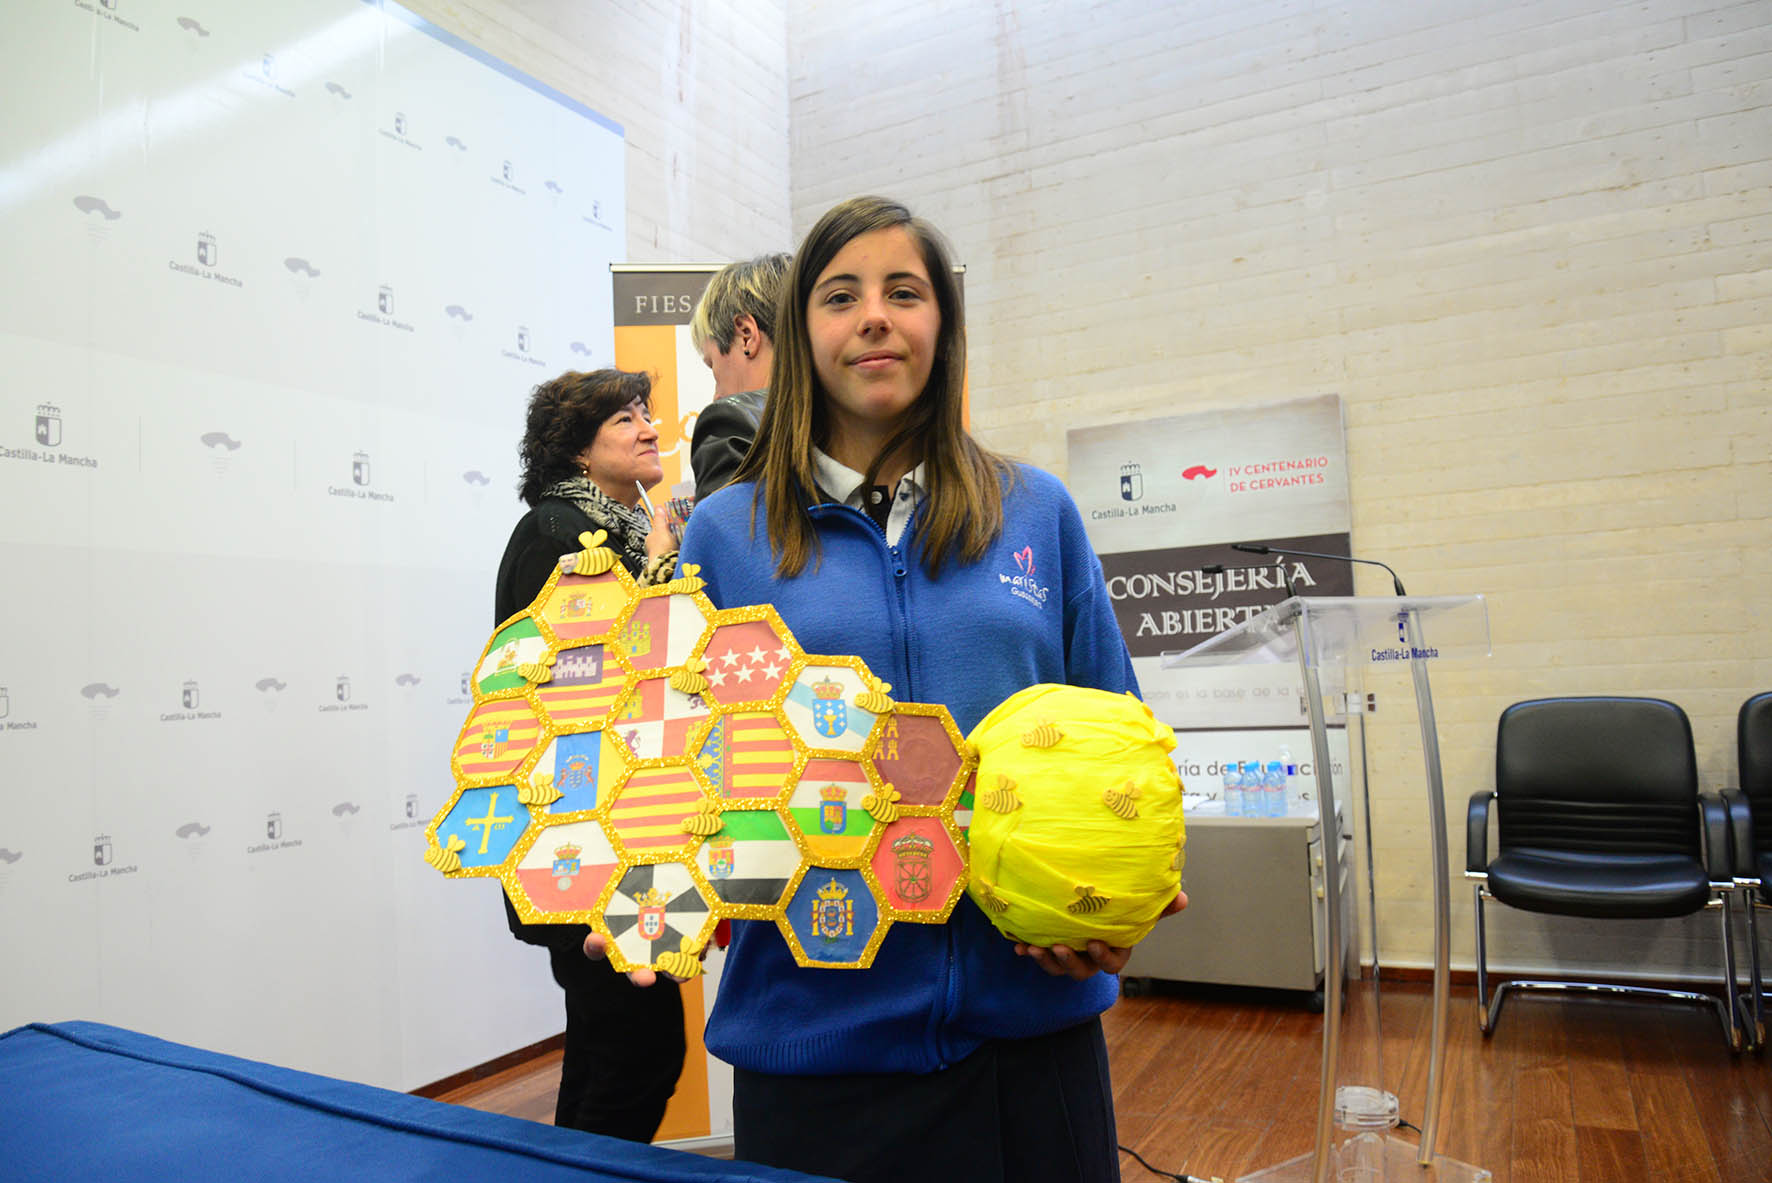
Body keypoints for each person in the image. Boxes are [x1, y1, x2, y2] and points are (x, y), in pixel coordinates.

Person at [588, 197, 1186, 1182]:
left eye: (903, 292)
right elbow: (672, 767)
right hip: (816, 1054)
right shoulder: (724, 535)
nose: (874, 315)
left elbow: (1117, 729)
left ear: (940, 328)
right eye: (839, 295)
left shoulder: (1034, 510)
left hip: (1030, 1046)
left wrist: (1122, 905)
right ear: (799, 332)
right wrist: (648, 888)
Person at [494, 368, 683, 1141]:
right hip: (577, 832)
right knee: (637, 1048)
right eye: (626, 417)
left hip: (608, 823)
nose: (649, 427)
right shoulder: (555, 532)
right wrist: (662, 561)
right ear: (577, 449)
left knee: (613, 1049)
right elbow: (589, 674)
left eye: (647, 412)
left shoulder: (614, 531)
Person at [687, 252, 791, 502]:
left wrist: (673, 542)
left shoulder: (733, 424)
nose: (717, 394)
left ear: (746, 334)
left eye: (714, 367)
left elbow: (732, 541)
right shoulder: (855, 416)